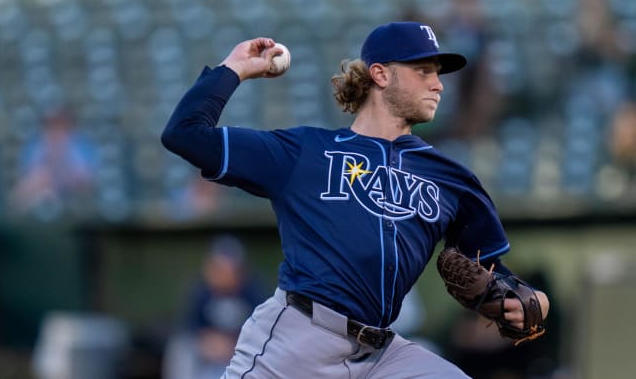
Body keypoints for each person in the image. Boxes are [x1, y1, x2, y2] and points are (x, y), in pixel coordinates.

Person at [161, 21, 550, 378]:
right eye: (423, 71)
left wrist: (526, 299)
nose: (439, 85)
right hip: (299, 341)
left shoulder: (451, 179)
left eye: (438, 73)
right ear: (380, 73)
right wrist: (234, 68)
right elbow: (185, 134)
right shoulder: (305, 153)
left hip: (383, 355)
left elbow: (488, 268)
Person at [162, 235, 267, 379]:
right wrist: (207, 343)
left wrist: (232, 344)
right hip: (206, 358)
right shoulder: (199, 291)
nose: (223, 273)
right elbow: (187, 328)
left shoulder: (253, 291)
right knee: (180, 348)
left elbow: (263, 332)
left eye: (229, 268)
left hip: (240, 355)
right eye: (219, 267)